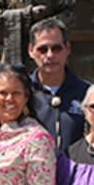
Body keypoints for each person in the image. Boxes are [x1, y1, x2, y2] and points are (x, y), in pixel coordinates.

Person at [27, 18, 90, 152]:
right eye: (42, 49)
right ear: (31, 50)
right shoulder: (22, 92)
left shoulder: (88, 93)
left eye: (56, 48)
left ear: (67, 48)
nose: (50, 55)